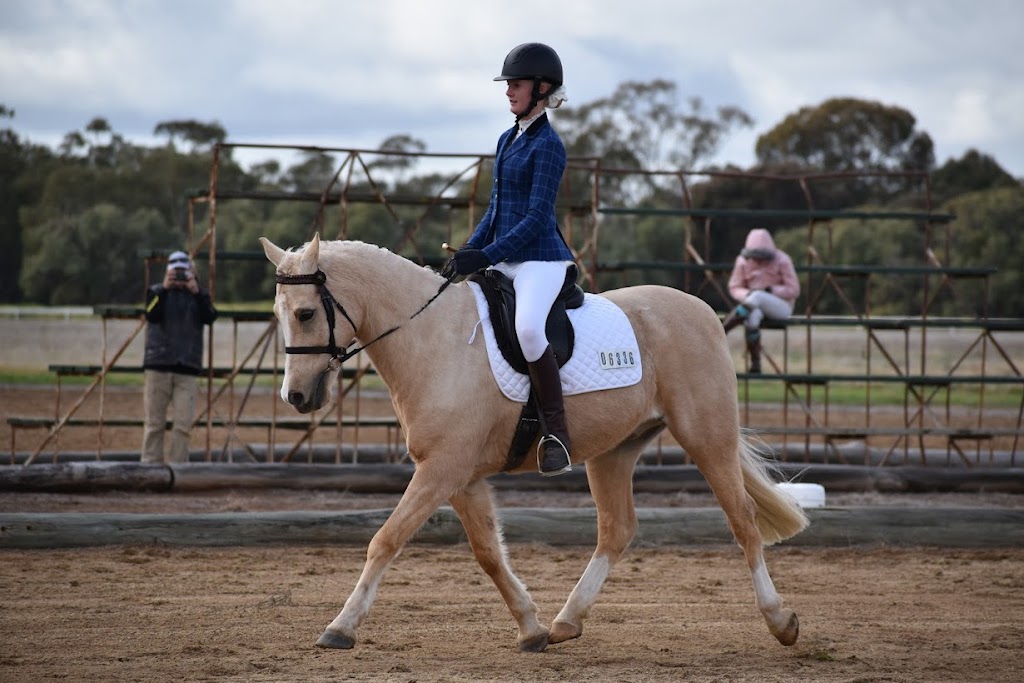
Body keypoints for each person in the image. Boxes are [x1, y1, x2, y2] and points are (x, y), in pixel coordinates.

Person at [449, 42, 574, 477]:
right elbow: (496, 210)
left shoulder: (549, 146)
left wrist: (488, 254)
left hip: (540, 259)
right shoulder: (507, 139)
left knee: (527, 327)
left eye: (515, 85)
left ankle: (556, 432)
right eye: (508, 85)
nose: (508, 92)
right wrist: (468, 251)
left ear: (541, 89)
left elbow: (538, 218)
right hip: (506, 258)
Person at [141, 250, 218, 463]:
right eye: (175, 272)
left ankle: (179, 468)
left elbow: (210, 316)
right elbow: (150, 314)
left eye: (183, 271)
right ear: (167, 272)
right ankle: (149, 466)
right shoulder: (156, 292)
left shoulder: (199, 295)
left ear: (191, 271)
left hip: (187, 367)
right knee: (154, 423)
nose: (180, 276)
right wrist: (164, 289)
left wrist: (196, 292)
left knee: (183, 425)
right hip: (158, 365)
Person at [723, 228, 800, 374]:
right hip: (753, 305)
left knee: (757, 296)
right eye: (755, 257)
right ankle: (755, 362)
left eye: (762, 257)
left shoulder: (782, 260)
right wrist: (747, 293)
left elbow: (794, 289)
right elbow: (734, 287)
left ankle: (723, 329)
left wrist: (771, 290)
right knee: (751, 317)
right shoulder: (742, 261)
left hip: (781, 307)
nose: (758, 260)